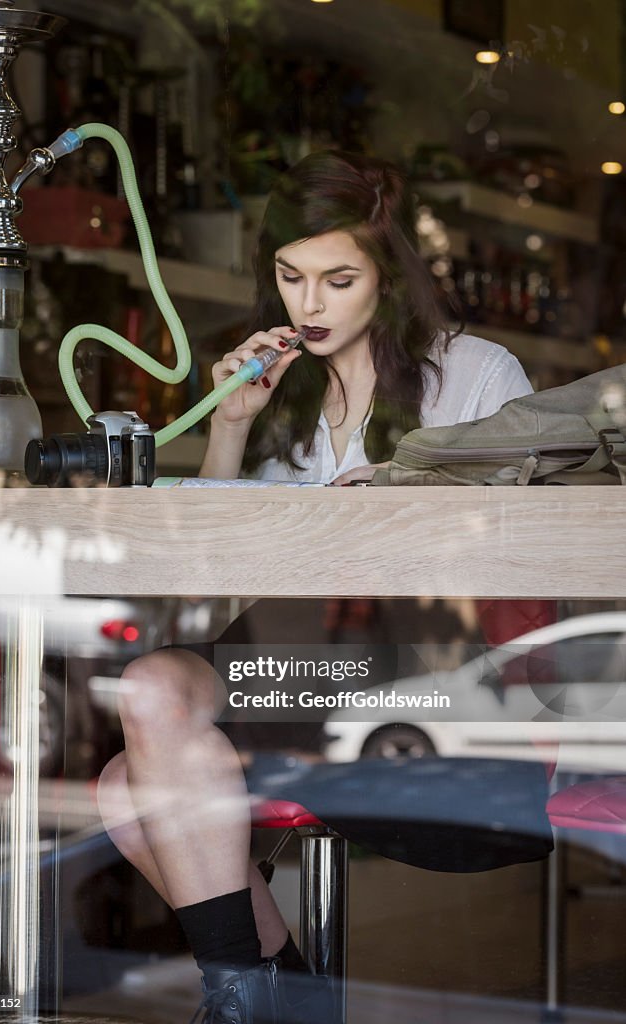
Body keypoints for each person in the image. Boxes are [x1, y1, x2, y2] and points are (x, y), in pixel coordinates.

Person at [96, 150, 534, 1023]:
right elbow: (211, 589)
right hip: (288, 660)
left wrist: (406, 502)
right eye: (291, 277)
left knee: (125, 791)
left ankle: (263, 1004)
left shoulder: (477, 375)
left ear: (387, 278)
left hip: (416, 669)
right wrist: (228, 429)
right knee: (134, 732)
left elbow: (528, 555)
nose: (309, 304)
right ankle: (262, 1003)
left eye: (338, 278)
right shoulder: (280, 393)